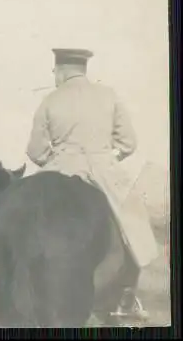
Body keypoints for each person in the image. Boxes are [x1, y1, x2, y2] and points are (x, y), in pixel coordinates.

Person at [25, 48, 159, 321]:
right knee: (134, 226)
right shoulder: (109, 95)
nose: (55, 76)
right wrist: (110, 157)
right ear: (83, 68)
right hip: (102, 170)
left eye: (55, 72)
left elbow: (35, 150)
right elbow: (128, 143)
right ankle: (125, 298)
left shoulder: (49, 99)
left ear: (61, 70)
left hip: (60, 168)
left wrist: (57, 159)